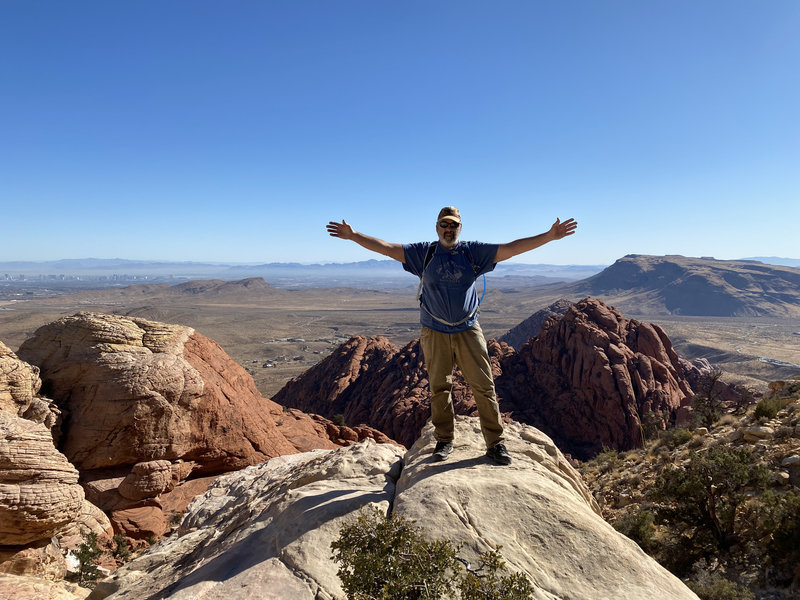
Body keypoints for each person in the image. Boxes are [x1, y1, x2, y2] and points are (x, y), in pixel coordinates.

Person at [326, 207, 577, 465]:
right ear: (437, 227)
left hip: (468, 329)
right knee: (439, 387)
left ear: (460, 227)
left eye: (453, 225)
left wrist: (549, 236)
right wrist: (354, 235)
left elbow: (511, 248)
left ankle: (496, 443)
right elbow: (386, 248)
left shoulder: (472, 252)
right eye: (444, 225)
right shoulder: (425, 253)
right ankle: (444, 440)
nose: (449, 229)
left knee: (484, 386)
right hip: (434, 331)